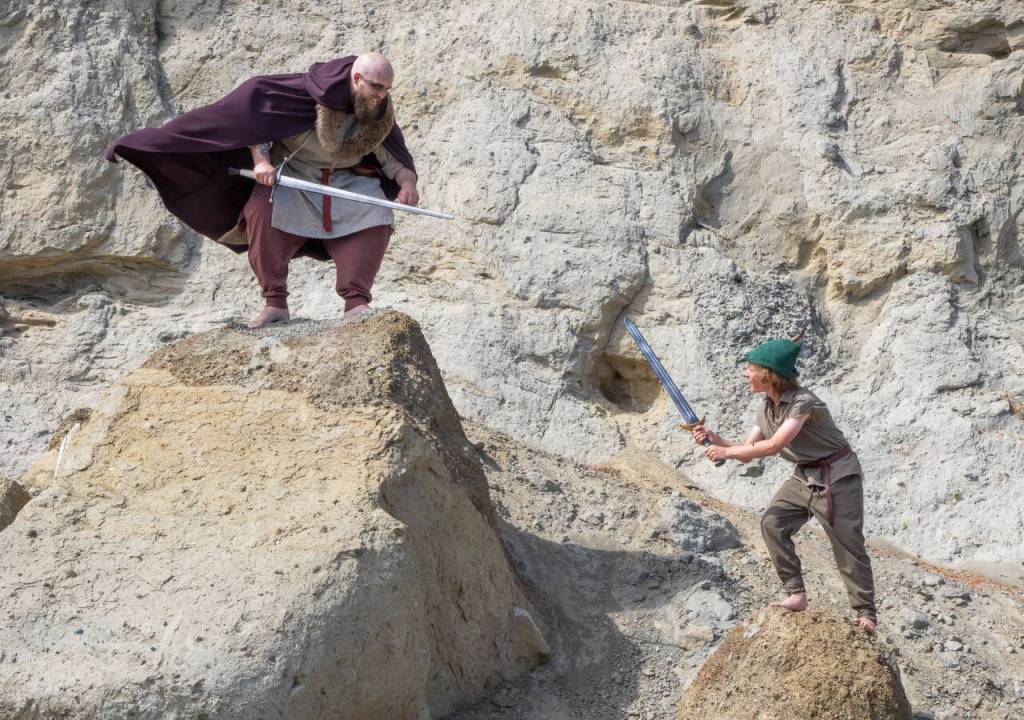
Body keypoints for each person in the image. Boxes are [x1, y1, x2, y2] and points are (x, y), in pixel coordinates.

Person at [107, 53, 418, 328]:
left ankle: (356, 303)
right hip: (293, 172)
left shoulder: (377, 112)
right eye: (376, 86)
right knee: (261, 210)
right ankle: (275, 303)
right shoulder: (309, 94)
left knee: (376, 214)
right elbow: (258, 115)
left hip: (347, 179)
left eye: (386, 89)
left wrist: (407, 182)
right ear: (357, 77)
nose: (381, 95)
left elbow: (393, 158)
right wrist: (261, 160)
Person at [692, 337, 877, 634]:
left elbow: (774, 445)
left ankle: (865, 613)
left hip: (837, 475)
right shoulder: (766, 408)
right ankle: (796, 595)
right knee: (772, 523)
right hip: (804, 475)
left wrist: (725, 453)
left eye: (750, 369)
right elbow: (747, 451)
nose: (745, 374)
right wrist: (716, 439)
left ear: (768, 374)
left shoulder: (804, 402)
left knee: (847, 543)